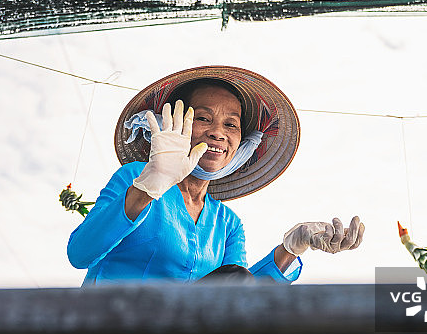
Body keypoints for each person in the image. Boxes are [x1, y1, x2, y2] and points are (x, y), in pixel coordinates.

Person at [67, 66, 364, 285]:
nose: (218, 133)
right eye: (203, 118)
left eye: (231, 125)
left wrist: (292, 247)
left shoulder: (227, 224)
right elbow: (80, 253)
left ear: (242, 145)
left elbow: (239, 296)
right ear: (175, 122)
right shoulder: (134, 177)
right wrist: (147, 188)